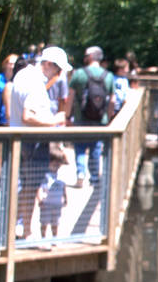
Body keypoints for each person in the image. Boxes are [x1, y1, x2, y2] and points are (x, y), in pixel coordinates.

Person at [7, 45, 70, 239]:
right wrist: (56, 120)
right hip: (32, 143)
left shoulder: (23, 75)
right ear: (49, 64)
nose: (58, 75)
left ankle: (19, 229)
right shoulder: (35, 82)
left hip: (20, 141)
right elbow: (28, 116)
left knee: (22, 187)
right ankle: (24, 230)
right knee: (29, 188)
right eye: (58, 70)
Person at [68, 45, 112, 189]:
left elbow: (70, 97)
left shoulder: (79, 74)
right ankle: (94, 178)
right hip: (100, 120)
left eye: (86, 55)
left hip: (81, 118)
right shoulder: (109, 76)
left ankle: (81, 173)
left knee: (80, 147)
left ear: (91, 57)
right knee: (95, 148)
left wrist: (67, 116)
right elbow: (112, 101)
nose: (84, 57)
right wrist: (109, 118)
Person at [36, 152, 68, 237]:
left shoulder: (61, 175)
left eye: (59, 164)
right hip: (46, 203)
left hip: (57, 204)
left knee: (56, 223)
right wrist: (40, 200)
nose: (57, 166)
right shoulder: (45, 176)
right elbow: (39, 188)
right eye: (54, 163)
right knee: (44, 222)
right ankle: (43, 238)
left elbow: (64, 187)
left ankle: (55, 238)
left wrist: (65, 199)